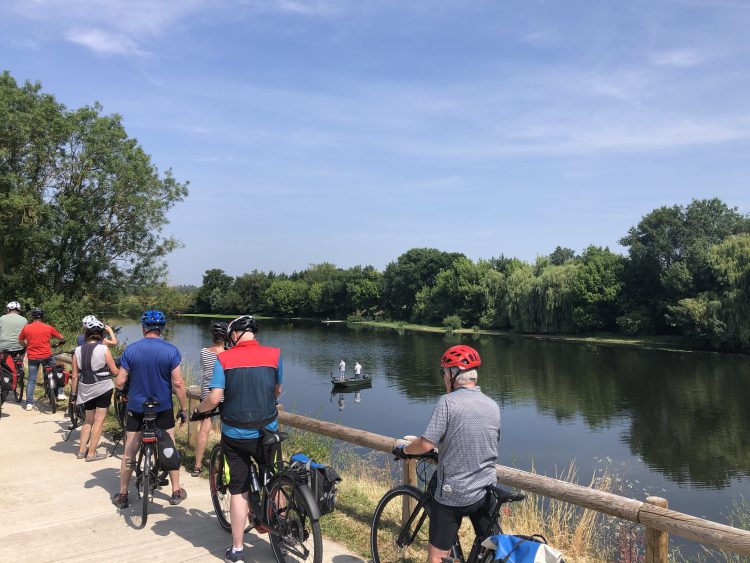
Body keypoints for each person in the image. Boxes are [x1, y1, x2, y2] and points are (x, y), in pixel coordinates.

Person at [392, 345, 501, 563]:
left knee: (438, 558)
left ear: (453, 373)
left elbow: (424, 444)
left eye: (443, 372)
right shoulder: (492, 405)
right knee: (495, 548)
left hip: (454, 492)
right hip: (486, 490)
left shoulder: (448, 403)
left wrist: (405, 450)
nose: (443, 377)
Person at [194, 315, 282, 563]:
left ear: (235, 335)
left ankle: (238, 549)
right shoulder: (275, 354)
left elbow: (214, 398)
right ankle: (284, 528)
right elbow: (277, 390)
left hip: (236, 433)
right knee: (274, 476)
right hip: (268, 431)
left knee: (239, 489)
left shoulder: (224, 358)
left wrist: (198, 411)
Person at [112, 310, 188, 509]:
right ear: (162, 329)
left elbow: (120, 381)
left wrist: (124, 389)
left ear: (143, 328)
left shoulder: (130, 350)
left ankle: (122, 494)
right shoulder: (171, 351)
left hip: (136, 407)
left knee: (130, 450)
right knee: (169, 447)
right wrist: (183, 408)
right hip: (162, 407)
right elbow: (178, 383)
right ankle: (176, 491)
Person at [71, 318, 119, 461]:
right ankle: (91, 453)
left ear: (86, 333)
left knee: (88, 419)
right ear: (100, 335)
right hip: (103, 386)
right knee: (99, 420)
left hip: (85, 387)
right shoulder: (104, 349)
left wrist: (74, 394)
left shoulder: (77, 351)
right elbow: (115, 371)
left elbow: (74, 376)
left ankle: (81, 451)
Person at [191, 321, 227, 477]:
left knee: (204, 430)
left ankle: (197, 466)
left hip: (207, 392)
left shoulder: (204, 351)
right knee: (226, 430)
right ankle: (223, 464)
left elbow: (204, 369)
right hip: (225, 393)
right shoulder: (229, 353)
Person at [18, 308, 66, 410]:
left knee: (31, 380)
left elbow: (20, 340)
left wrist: (26, 345)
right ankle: (60, 393)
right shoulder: (48, 327)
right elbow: (61, 337)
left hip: (33, 357)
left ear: (32, 317)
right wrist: (62, 341)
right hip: (46, 356)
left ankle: (29, 403)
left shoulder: (26, 328)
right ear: (42, 317)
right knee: (57, 371)